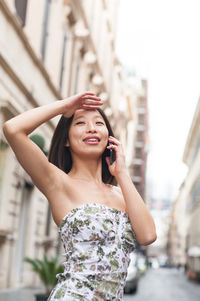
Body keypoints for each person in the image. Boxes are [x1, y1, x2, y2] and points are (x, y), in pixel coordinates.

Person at [3, 92, 157, 300]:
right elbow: (13, 129)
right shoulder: (57, 182)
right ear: (66, 139)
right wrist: (64, 106)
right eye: (80, 123)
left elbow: (148, 236)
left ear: (109, 137)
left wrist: (122, 174)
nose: (91, 128)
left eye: (99, 123)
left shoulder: (122, 193)